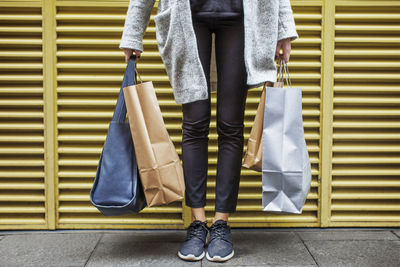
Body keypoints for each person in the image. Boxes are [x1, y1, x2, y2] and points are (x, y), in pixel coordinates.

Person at [121, 0, 295, 263]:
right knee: (195, 123)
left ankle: (221, 224)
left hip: (240, 17)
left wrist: (283, 30)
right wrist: (133, 33)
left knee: (231, 124)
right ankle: (197, 222)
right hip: (188, 14)